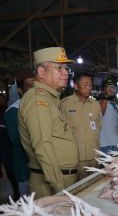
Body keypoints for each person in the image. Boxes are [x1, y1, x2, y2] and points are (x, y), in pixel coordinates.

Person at [18, 47, 79, 199]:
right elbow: (43, 145)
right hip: (52, 184)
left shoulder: (50, 98)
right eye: (59, 68)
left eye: (66, 68)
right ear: (41, 72)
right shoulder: (38, 100)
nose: (66, 72)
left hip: (62, 179)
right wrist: (59, 188)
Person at [60, 72, 102, 179]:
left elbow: (99, 126)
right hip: (75, 158)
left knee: (93, 187)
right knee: (77, 189)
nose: (88, 87)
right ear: (75, 85)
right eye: (85, 84)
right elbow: (60, 131)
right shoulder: (64, 104)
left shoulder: (95, 104)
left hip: (94, 156)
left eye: (90, 85)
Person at [4, 70, 34, 197]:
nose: (33, 89)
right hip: (25, 168)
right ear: (20, 90)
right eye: (29, 86)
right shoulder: (14, 111)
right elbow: (16, 140)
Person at [99, 78, 118, 153]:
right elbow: (99, 114)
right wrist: (105, 97)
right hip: (105, 145)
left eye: (112, 87)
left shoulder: (117, 105)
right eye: (108, 87)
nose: (111, 88)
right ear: (102, 90)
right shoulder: (100, 103)